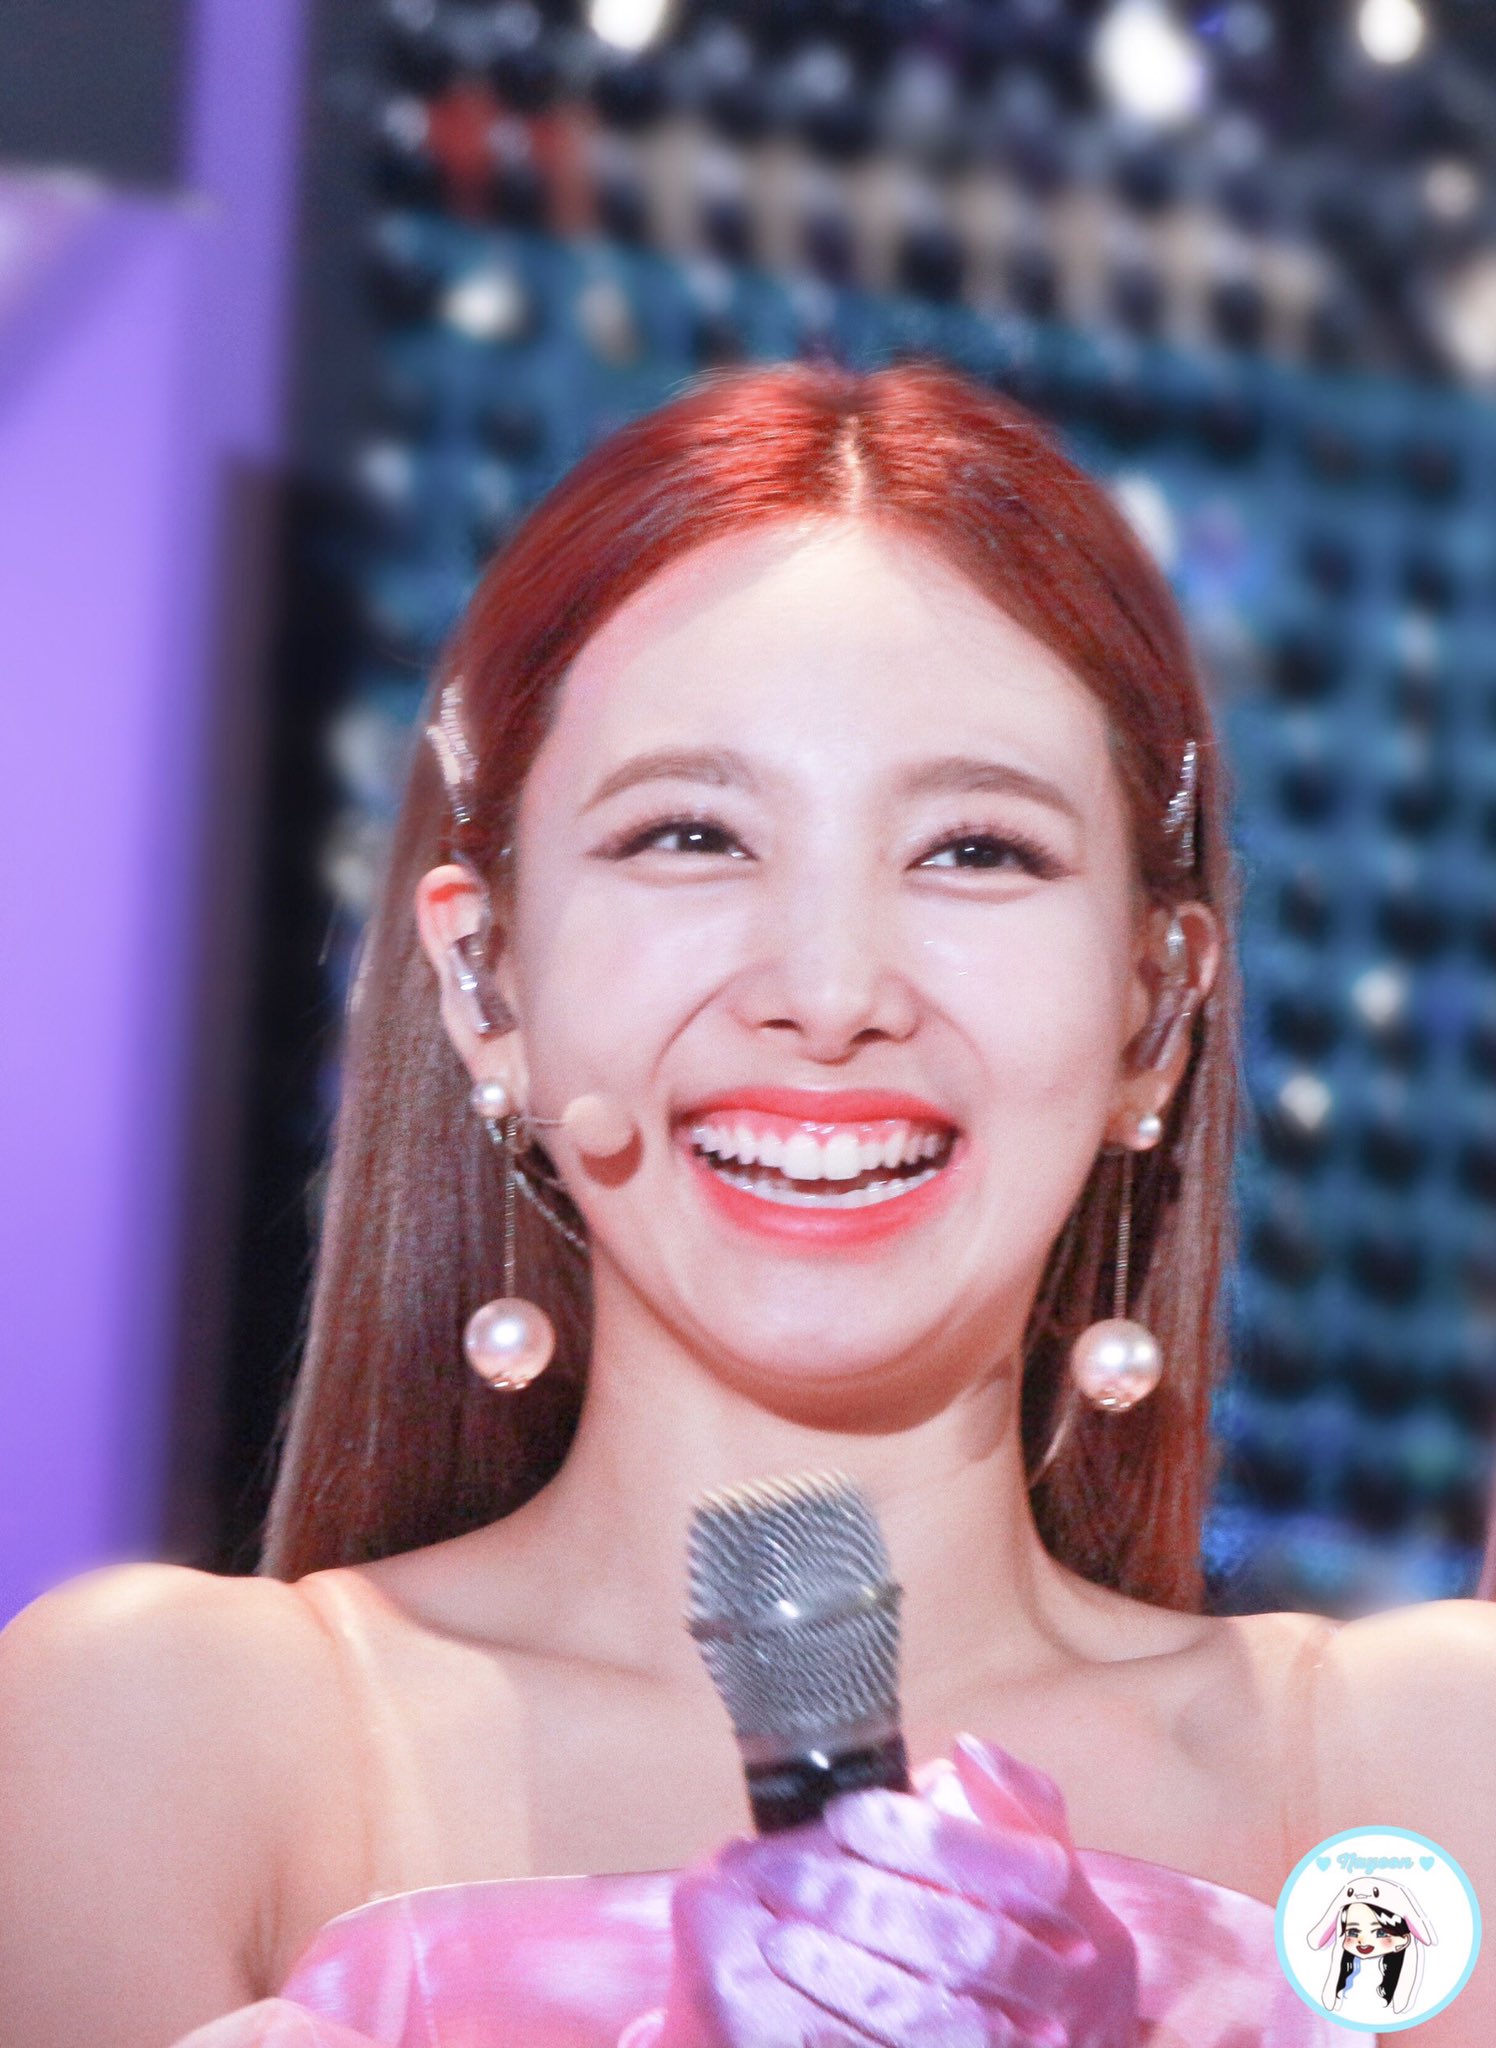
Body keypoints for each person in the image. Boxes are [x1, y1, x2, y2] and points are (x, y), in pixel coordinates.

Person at [2, 360, 1493, 2048]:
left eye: (976, 850)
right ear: (485, 982)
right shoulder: (170, 1738)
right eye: (693, 836)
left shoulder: (1407, 1779)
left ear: (1154, 1013)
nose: (831, 993)